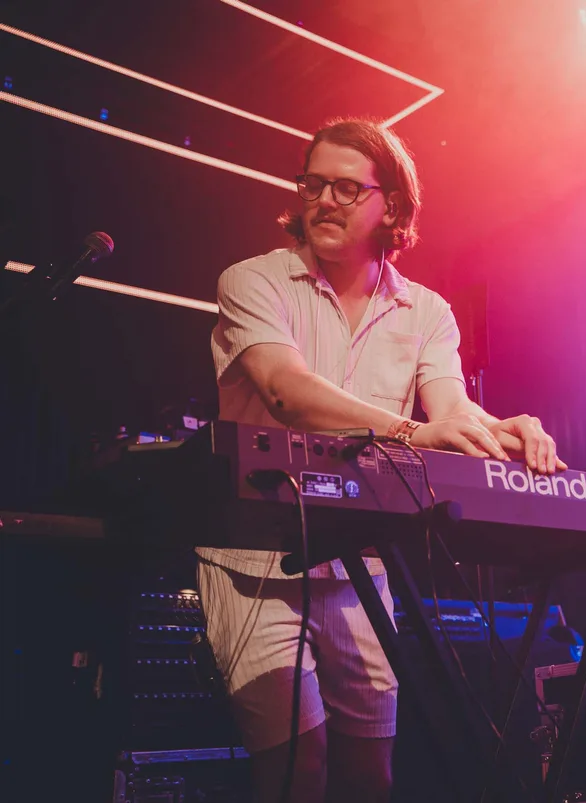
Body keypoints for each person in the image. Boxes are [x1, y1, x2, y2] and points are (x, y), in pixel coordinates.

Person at [198, 118, 563, 803]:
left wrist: (505, 428)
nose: (323, 201)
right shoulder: (253, 279)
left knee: (372, 776)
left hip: (358, 565)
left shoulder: (426, 311)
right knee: (297, 770)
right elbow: (286, 391)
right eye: (313, 184)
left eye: (345, 188)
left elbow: (448, 407)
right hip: (253, 562)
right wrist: (410, 431)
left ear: (391, 207)